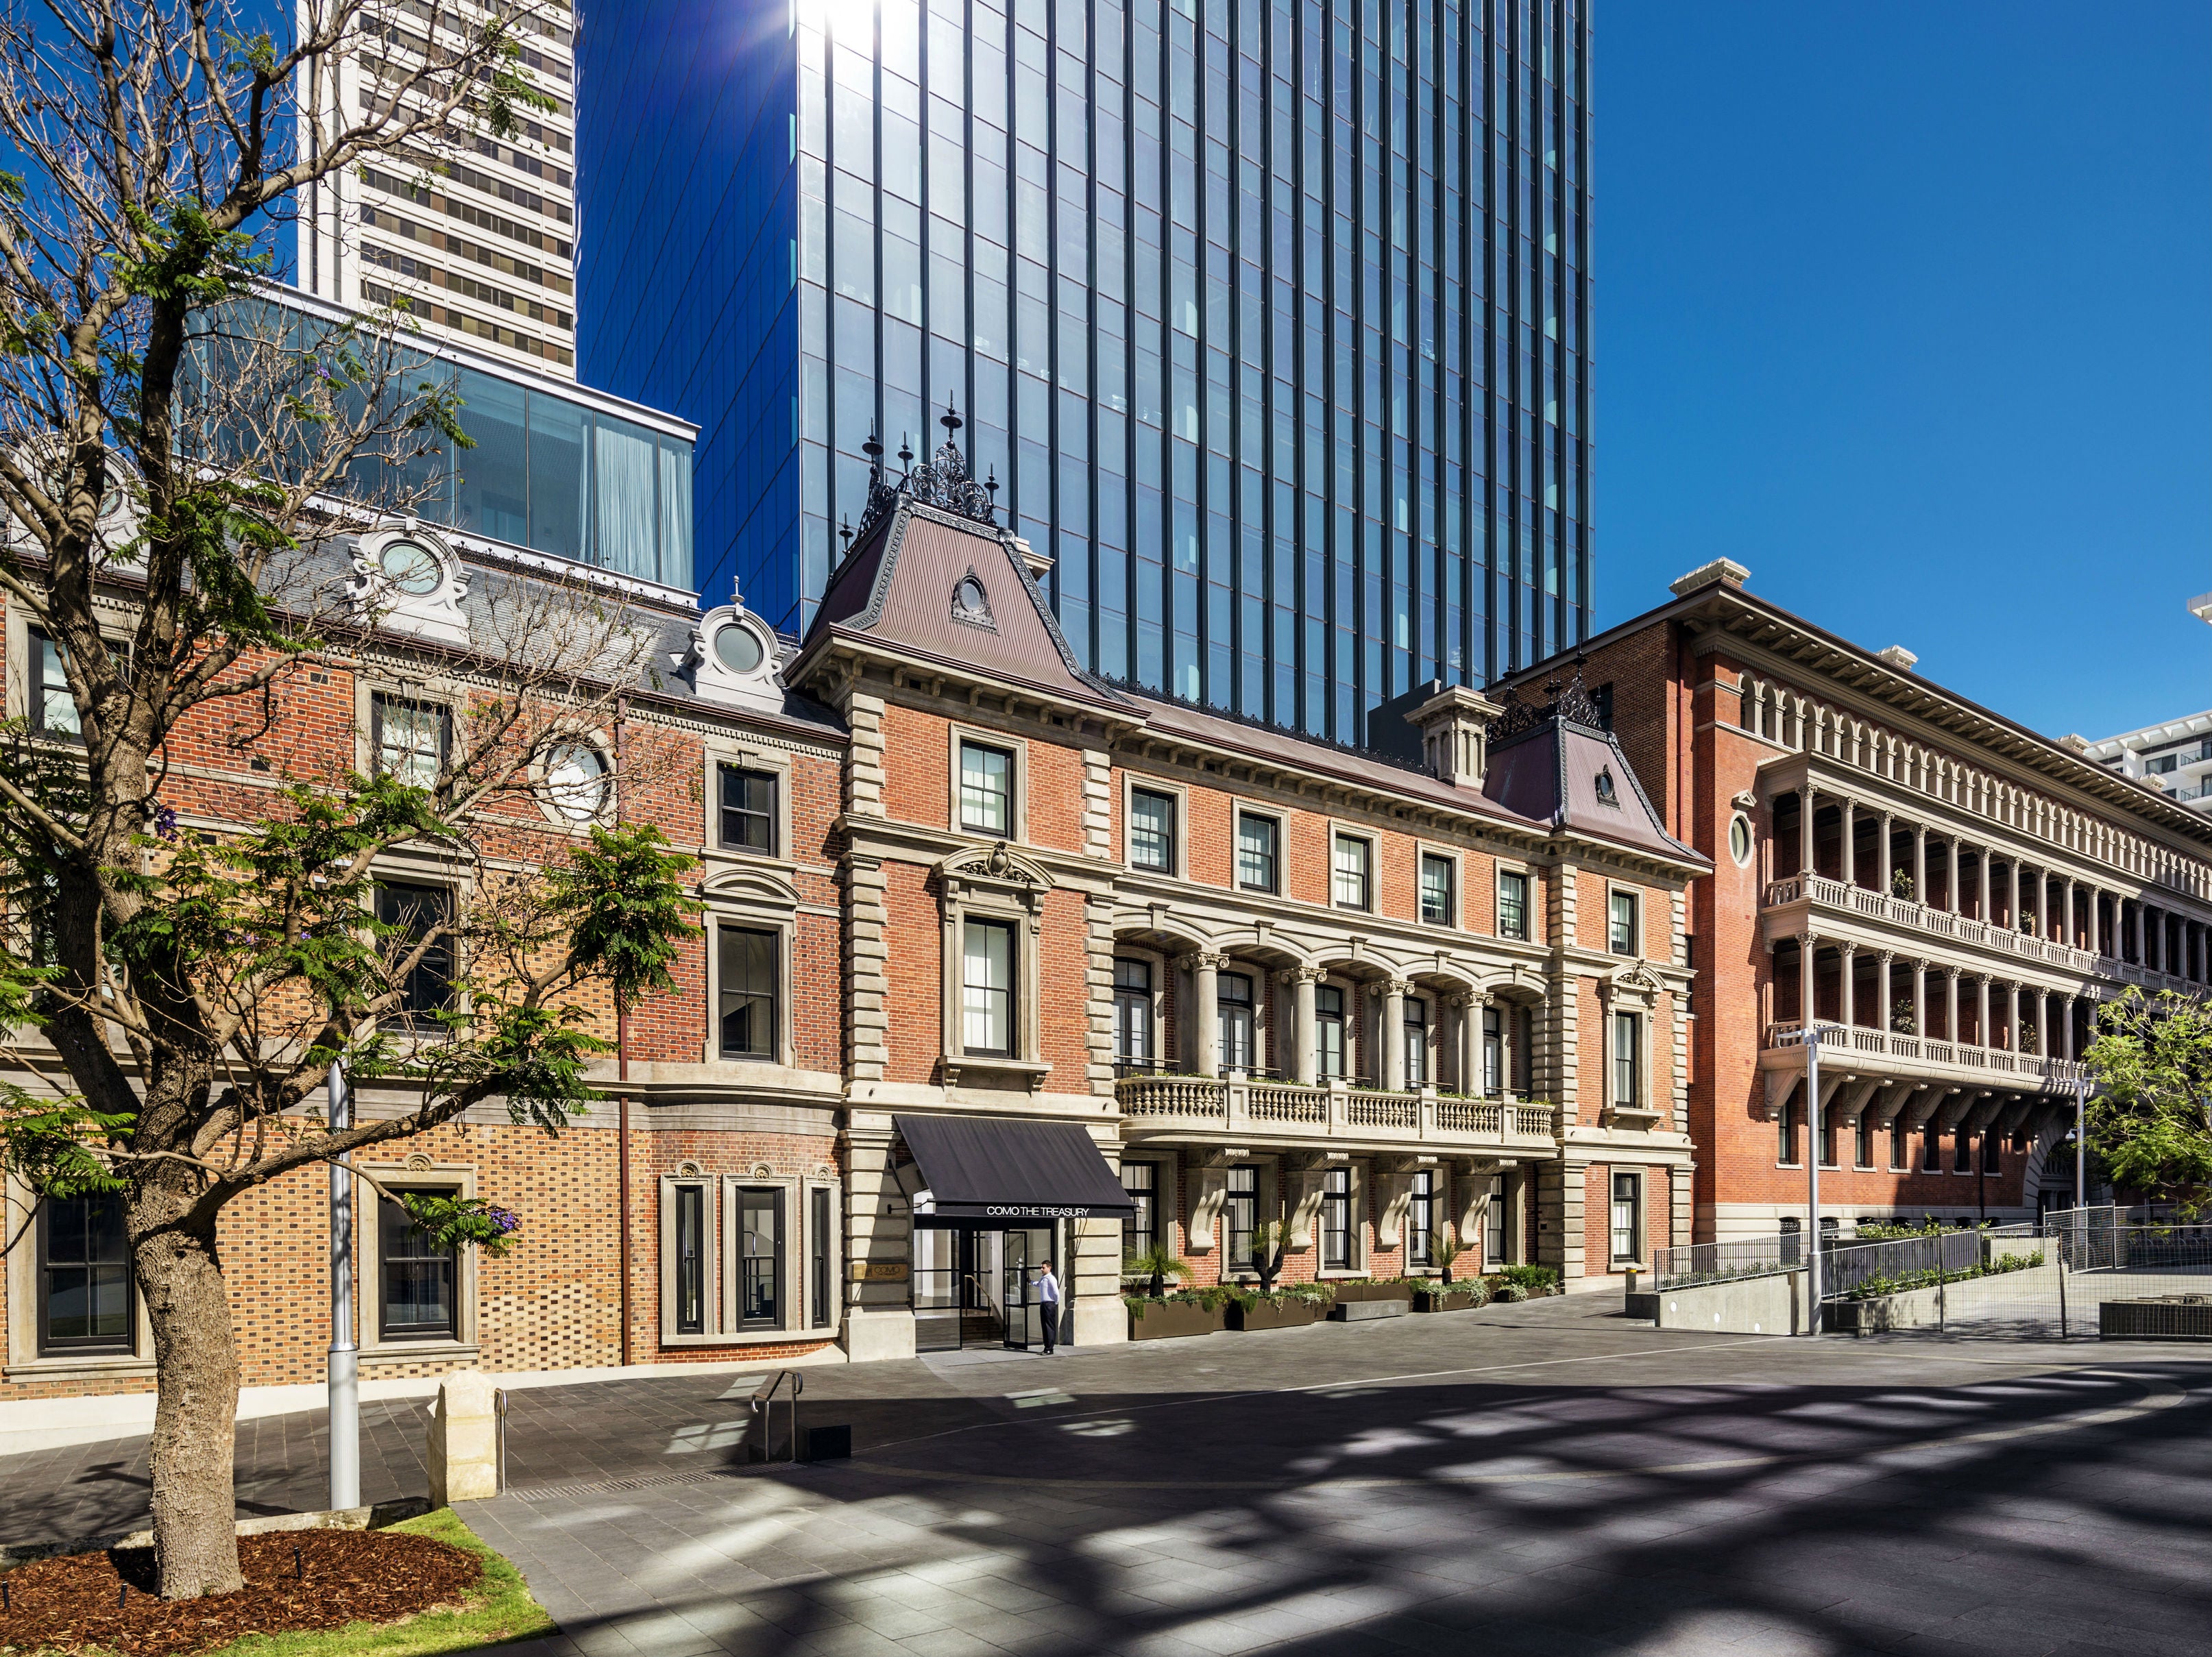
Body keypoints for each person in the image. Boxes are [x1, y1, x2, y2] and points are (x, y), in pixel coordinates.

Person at [1032, 1262, 1061, 1353]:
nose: (1041, 1269)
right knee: (1044, 1326)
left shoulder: (1051, 1278)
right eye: (1041, 1267)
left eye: (1043, 1268)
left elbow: (1056, 1292)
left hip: (1049, 1303)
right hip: (1044, 1304)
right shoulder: (1043, 1278)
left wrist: (1055, 1302)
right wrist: (1030, 1281)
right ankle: (1046, 1347)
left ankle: (1050, 1348)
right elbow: (1038, 1284)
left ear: (1049, 1268)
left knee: (1049, 1326)